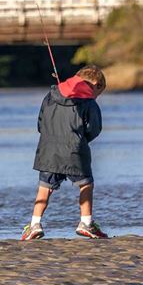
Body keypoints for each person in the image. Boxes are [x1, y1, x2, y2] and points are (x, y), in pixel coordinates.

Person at [21, 65, 108, 240]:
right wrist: (81, 141)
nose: (97, 96)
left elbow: (40, 123)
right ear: (96, 84)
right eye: (99, 92)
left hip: (48, 150)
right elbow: (94, 129)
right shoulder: (89, 102)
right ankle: (86, 223)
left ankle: (35, 224)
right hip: (75, 150)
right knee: (86, 185)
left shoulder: (50, 95)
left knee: (44, 188)